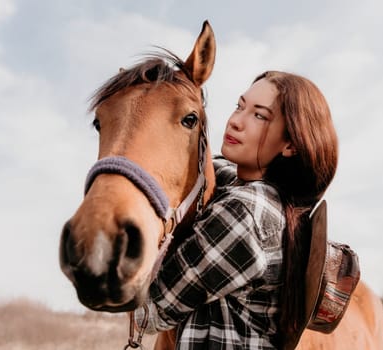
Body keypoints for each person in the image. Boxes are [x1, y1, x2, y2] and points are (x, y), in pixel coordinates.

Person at [136, 70, 339, 349]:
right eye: (239, 106)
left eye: (259, 116)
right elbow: (207, 168)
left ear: (290, 144)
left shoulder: (244, 213)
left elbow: (148, 314)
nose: (236, 122)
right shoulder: (272, 198)